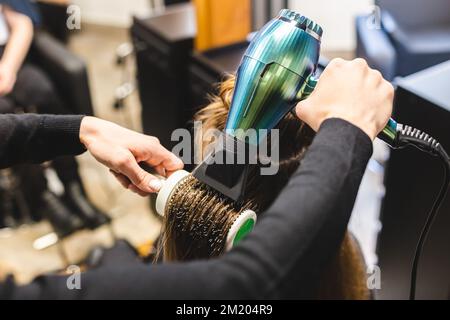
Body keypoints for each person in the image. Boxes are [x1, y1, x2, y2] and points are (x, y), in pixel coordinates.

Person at [0, 58, 394, 299]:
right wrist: (346, 128)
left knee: (115, 252)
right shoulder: (351, 272)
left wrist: (79, 129)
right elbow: (250, 285)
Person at [0, 2, 108, 233]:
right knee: (6, 115)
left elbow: (22, 23)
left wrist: (8, 67)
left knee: (44, 93)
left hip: (9, 57)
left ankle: (73, 188)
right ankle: (44, 198)